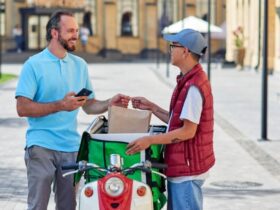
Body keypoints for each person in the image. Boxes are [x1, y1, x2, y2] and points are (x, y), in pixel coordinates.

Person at [15, 11, 130, 210]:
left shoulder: (80, 65)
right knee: (37, 206)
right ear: (54, 33)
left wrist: (109, 103)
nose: (75, 35)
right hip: (41, 146)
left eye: (76, 30)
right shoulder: (33, 65)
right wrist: (60, 105)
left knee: (68, 206)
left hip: (71, 148)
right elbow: (22, 107)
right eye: (70, 31)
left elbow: (88, 105)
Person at [126, 29, 215, 210]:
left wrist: (150, 140)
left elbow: (188, 131)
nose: (169, 50)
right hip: (183, 168)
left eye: (173, 46)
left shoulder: (193, 87)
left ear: (186, 51)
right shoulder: (188, 80)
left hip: (187, 172)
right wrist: (152, 107)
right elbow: (177, 121)